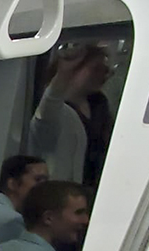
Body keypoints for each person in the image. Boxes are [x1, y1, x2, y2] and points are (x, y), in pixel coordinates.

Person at [29, 44, 114, 186]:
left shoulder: (99, 105)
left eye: (105, 70)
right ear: (74, 70)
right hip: (62, 192)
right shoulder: (56, 110)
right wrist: (62, 75)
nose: (104, 75)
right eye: (96, 69)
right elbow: (46, 111)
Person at [0, 156, 49, 244]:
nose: (45, 187)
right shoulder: (12, 221)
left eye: (47, 181)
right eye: (38, 180)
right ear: (12, 184)